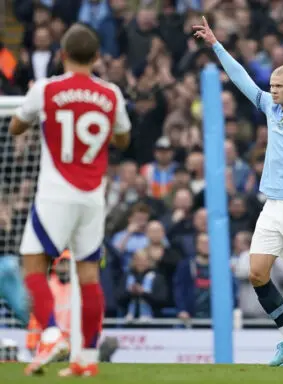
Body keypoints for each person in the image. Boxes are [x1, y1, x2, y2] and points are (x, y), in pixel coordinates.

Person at [194, 17, 283, 367]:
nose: (271, 90)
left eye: (277, 85)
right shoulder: (270, 109)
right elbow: (241, 77)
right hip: (272, 204)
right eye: (270, 85)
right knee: (256, 272)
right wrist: (216, 44)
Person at [8, 23, 131, 377]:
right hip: (93, 197)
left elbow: (16, 126)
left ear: (61, 56)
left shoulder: (45, 89)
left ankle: (49, 334)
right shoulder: (110, 94)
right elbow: (123, 138)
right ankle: (87, 359)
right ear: (96, 58)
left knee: (32, 263)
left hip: (56, 193)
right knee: (89, 274)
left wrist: (37, 112)